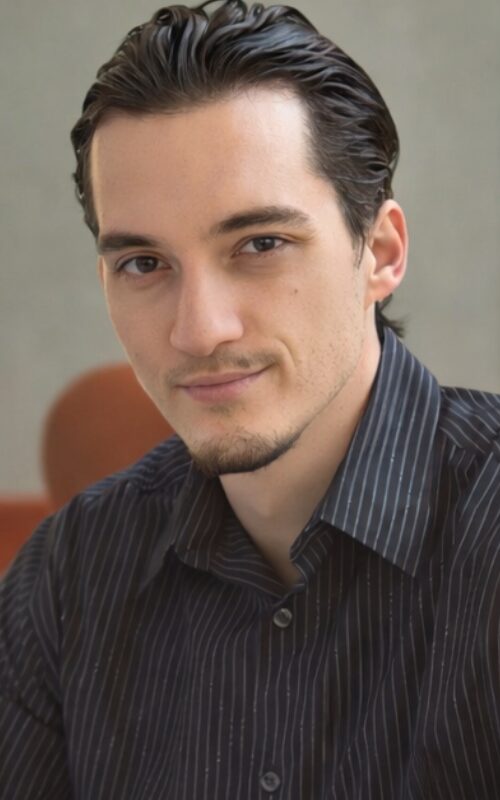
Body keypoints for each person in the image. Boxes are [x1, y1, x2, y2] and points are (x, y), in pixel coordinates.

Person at [1, 1, 498, 797]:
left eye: (261, 244)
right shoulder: (65, 580)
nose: (198, 331)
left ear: (380, 252)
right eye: (144, 264)